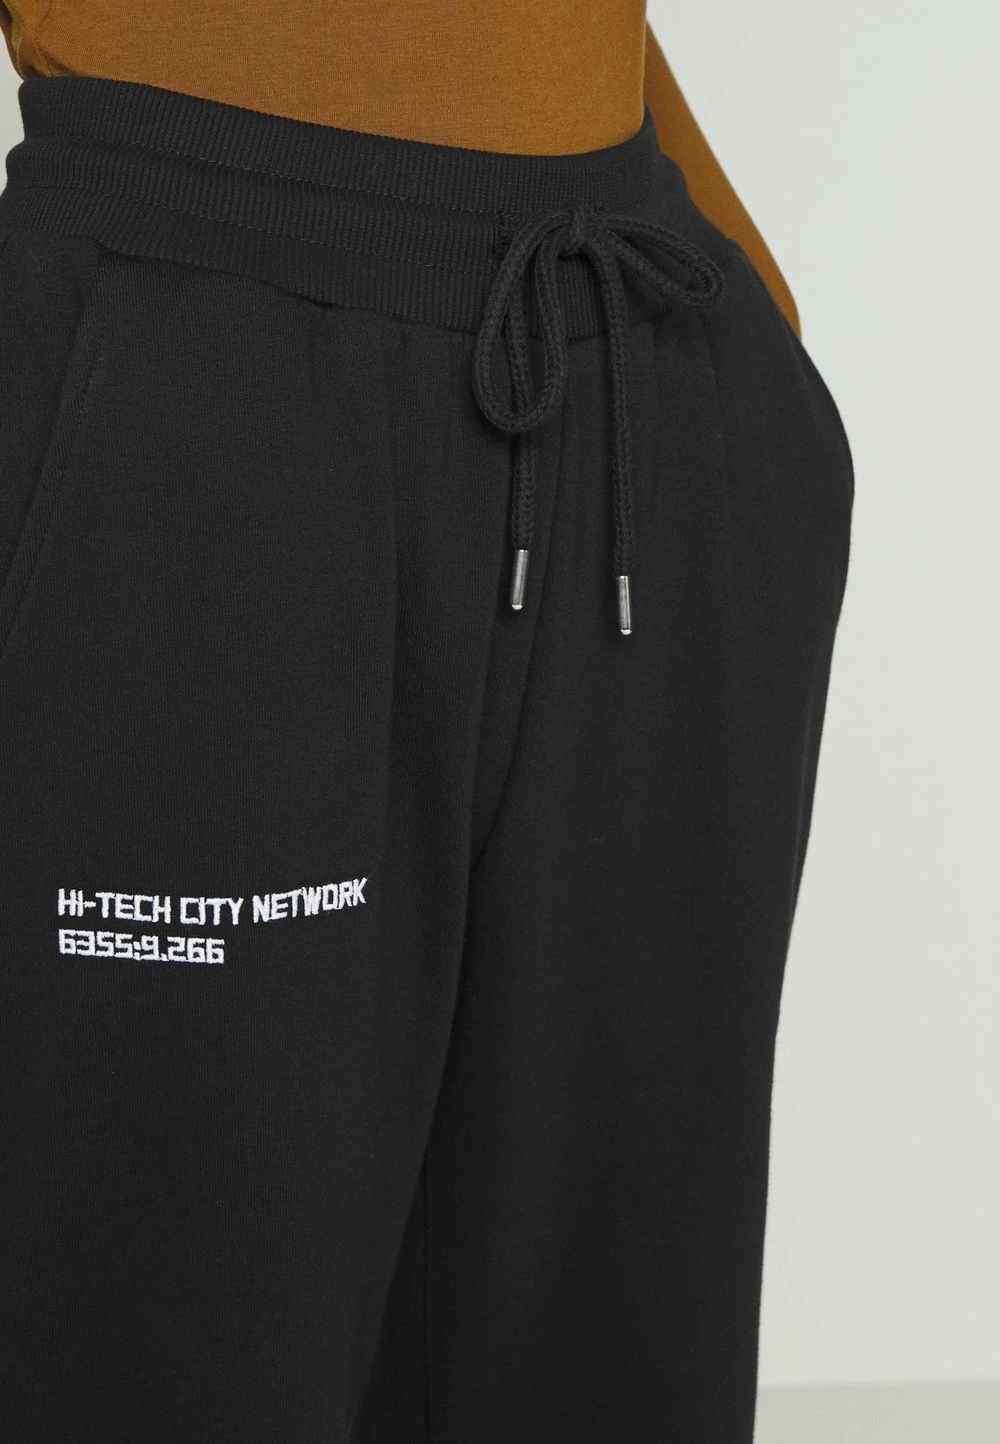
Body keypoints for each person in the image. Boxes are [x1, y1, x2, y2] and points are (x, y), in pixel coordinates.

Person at [0, 5, 853, 1441]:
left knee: (613, 1339)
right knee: (168, 1332)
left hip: (628, 358)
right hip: (187, 351)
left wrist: (748, 334)